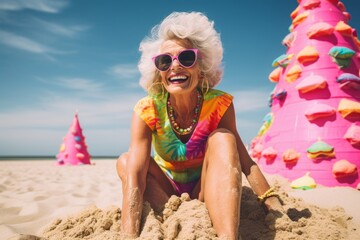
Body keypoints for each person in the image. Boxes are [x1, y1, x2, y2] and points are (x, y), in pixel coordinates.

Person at [116, 11, 283, 239]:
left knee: (224, 138)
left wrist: (273, 205)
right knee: (126, 161)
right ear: (158, 72)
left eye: (186, 58)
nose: (175, 66)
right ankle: (169, 219)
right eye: (165, 61)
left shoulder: (218, 104)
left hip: (207, 190)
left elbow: (244, 161)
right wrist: (128, 235)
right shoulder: (147, 109)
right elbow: (135, 175)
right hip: (165, 197)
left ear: (201, 65)